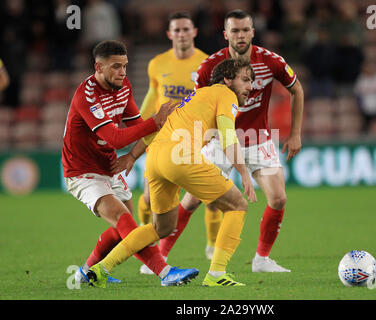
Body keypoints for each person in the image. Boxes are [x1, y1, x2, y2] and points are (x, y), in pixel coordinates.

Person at [87, 58, 257, 288]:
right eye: (245, 80)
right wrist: (244, 173)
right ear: (227, 80)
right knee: (237, 205)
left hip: (156, 157)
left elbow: (161, 126)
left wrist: (133, 156)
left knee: (162, 227)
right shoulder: (225, 95)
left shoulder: (197, 95)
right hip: (182, 156)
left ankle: (101, 268)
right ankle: (217, 274)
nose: (250, 87)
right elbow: (228, 135)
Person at [158, 9, 305, 273]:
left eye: (245, 30)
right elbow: (197, 106)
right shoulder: (210, 67)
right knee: (192, 200)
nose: (240, 35)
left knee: (278, 198)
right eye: (235, 30)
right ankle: (160, 256)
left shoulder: (270, 61)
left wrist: (295, 133)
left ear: (252, 32)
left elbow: (297, 90)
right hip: (219, 140)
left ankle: (261, 260)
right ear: (226, 34)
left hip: (258, 138)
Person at [63, 39, 198, 287]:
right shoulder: (86, 96)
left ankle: (86, 272)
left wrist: (135, 154)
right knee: (126, 223)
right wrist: (155, 122)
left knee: (122, 230)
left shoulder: (123, 86)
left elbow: (137, 126)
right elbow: (114, 137)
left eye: (124, 66)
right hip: (82, 172)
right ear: (98, 67)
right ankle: (165, 273)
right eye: (115, 66)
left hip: (110, 166)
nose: (122, 72)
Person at [132, 12, 215, 275]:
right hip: (162, 137)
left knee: (208, 196)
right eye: (176, 30)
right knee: (147, 198)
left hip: (194, 137)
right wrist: (138, 125)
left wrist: (212, 132)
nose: (181, 34)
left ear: (194, 32)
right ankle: (147, 244)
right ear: (169, 34)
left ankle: (213, 245)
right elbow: (153, 95)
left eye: (185, 29)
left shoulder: (206, 63)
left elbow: (211, 101)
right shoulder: (157, 64)